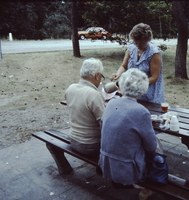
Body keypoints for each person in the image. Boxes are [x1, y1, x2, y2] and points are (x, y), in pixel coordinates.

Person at [99, 68, 158, 199]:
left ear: (121, 86)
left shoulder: (111, 103)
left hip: (106, 161)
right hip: (128, 167)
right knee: (158, 147)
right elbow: (151, 146)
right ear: (143, 89)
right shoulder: (141, 112)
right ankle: (146, 188)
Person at [111, 23, 165, 104]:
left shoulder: (154, 53)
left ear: (148, 40)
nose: (138, 45)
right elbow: (124, 66)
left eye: (142, 43)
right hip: (132, 93)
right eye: (136, 42)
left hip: (149, 95)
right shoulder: (131, 48)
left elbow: (154, 77)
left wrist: (136, 85)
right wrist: (118, 74)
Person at [65, 58, 105, 156]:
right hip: (90, 145)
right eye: (101, 77)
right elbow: (104, 124)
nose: (100, 80)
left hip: (73, 140)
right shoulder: (94, 94)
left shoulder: (71, 88)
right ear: (97, 76)